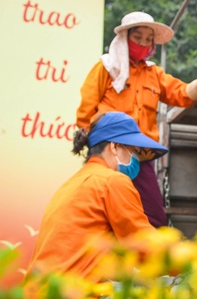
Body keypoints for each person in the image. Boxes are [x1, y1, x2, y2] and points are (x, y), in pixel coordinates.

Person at [76, 11, 197, 228]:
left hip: (140, 155)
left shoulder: (154, 73)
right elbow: (85, 112)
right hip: (109, 150)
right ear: (125, 38)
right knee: (102, 212)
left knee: (154, 217)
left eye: (148, 39)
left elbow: (182, 94)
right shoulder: (106, 67)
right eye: (138, 38)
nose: (143, 43)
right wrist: (95, 150)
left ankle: (148, 258)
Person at [24, 111, 166, 284]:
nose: (135, 159)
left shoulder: (73, 183)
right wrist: (190, 264)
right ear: (114, 147)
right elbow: (143, 244)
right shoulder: (112, 181)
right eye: (133, 151)